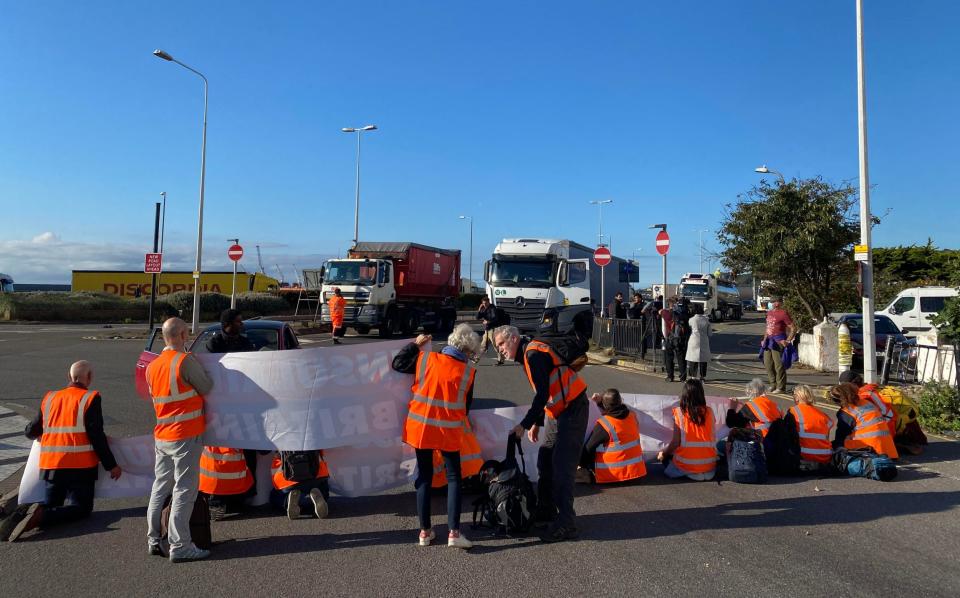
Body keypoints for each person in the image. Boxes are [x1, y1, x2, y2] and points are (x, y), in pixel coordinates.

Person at [1, 361, 122, 542]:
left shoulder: (50, 398)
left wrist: (42, 433)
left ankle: (28, 513)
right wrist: (111, 465)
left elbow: (30, 431)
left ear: (68, 377)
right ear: (89, 378)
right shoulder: (91, 398)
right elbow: (96, 436)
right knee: (81, 509)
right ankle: (40, 517)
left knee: (51, 505)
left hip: (52, 467)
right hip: (80, 468)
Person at [497, 324, 589, 543]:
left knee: (562, 468)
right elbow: (543, 391)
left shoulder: (533, 354)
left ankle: (567, 524)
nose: (499, 349)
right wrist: (538, 422)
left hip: (573, 409)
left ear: (513, 339)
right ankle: (546, 510)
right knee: (545, 459)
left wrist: (526, 424)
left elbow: (542, 395)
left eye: (501, 343)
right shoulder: (529, 354)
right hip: (559, 411)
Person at [391, 324, 480, 549]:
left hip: (421, 428)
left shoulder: (425, 359)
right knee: (453, 479)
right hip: (448, 430)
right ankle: (454, 533)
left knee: (424, 477)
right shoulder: (468, 372)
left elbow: (398, 364)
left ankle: (424, 532)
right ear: (468, 351)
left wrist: (415, 344)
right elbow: (465, 408)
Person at [145, 317, 214, 563]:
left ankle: (154, 539)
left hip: (162, 434)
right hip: (185, 434)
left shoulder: (152, 366)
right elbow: (206, 387)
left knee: (160, 487)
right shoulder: (184, 361)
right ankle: (180, 545)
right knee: (185, 489)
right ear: (183, 335)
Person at [200, 309, 258, 520]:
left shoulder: (246, 343)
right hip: (220, 409)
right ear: (228, 324)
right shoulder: (214, 345)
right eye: (238, 321)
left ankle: (243, 495)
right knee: (219, 455)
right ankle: (218, 497)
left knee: (246, 452)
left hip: (245, 406)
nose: (242, 324)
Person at [579, 389, 647, 484]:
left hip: (613, 474)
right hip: (636, 473)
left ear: (604, 405)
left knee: (586, 453)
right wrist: (600, 403)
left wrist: (580, 464)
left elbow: (588, 448)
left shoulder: (605, 424)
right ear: (621, 401)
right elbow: (616, 409)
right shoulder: (632, 416)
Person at [658, 379, 717, 480]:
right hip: (709, 466)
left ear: (685, 394)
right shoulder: (710, 411)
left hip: (687, 466)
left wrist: (663, 454)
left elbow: (675, 443)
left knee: (665, 458)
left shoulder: (680, 413)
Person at [830, 383, 898, 459]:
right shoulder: (867, 403)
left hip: (870, 451)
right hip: (889, 452)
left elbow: (840, 436)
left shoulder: (848, 412)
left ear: (840, 400)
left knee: (834, 445)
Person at [785, 385, 835, 470]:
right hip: (825, 457)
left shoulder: (793, 411)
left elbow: (787, 436)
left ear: (797, 397)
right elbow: (827, 437)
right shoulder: (823, 415)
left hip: (804, 456)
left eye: (794, 395)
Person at [269, 451, 330, 520]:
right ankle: (314, 500)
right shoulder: (316, 439)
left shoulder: (278, 440)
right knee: (324, 492)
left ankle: (290, 500)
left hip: (287, 479)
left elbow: (263, 452)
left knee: (274, 497)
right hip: (316, 476)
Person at [838, 370, 896, 438]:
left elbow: (850, 418)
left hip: (881, 433)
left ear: (854, 384)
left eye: (845, 387)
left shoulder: (862, 396)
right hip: (888, 427)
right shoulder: (868, 390)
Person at [760, 298, 796, 393]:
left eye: (774, 301)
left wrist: (788, 341)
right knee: (768, 364)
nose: (772, 303)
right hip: (768, 341)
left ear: (779, 303)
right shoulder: (769, 313)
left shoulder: (783, 313)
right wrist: (764, 340)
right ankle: (773, 384)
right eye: (771, 302)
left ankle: (781, 387)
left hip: (778, 341)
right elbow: (768, 328)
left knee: (779, 365)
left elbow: (793, 328)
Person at [685, 303, 711, 380]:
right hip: (703, 340)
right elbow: (710, 333)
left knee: (693, 359)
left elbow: (689, 329)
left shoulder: (691, 320)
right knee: (703, 360)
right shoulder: (706, 320)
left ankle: (693, 377)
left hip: (694, 340)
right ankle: (702, 377)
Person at [476, 296, 503, 365]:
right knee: (483, 345)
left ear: (488, 302)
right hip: (487, 330)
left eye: (486, 303)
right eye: (483, 303)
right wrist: (479, 309)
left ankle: (501, 360)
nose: (485, 305)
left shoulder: (492, 308)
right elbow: (477, 317)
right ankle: (476, 359)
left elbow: (495, 318)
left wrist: (488, 322)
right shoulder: (484, 309)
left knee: (495, 345)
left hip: (493, 330)